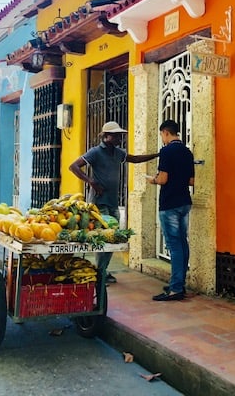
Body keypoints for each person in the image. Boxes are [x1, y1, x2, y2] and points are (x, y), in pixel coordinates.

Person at [69, 121, 159, 284]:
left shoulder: (118, 153)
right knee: (104, 237)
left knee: (113, 237)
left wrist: (157, 154)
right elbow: (73, 166)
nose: (119, 138)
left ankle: (102, 270)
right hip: (98, 203)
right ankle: (100, 272)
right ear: (106, 137)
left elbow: (136, 159)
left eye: (120, 135)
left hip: (113, 202)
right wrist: (91, 182)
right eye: (116, 136)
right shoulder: (95, 152)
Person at [146, 119, 195, 302]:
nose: (162, 139)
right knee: (182, 243)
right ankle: (179, 283)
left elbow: (164, 179)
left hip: (170, 204)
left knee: (174, 246)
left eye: (162, 135)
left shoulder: (166, 151)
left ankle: (175, 289)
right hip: (184, 201)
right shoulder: (187, 152)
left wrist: (153, 180)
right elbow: (191, 181)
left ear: (166, 133)